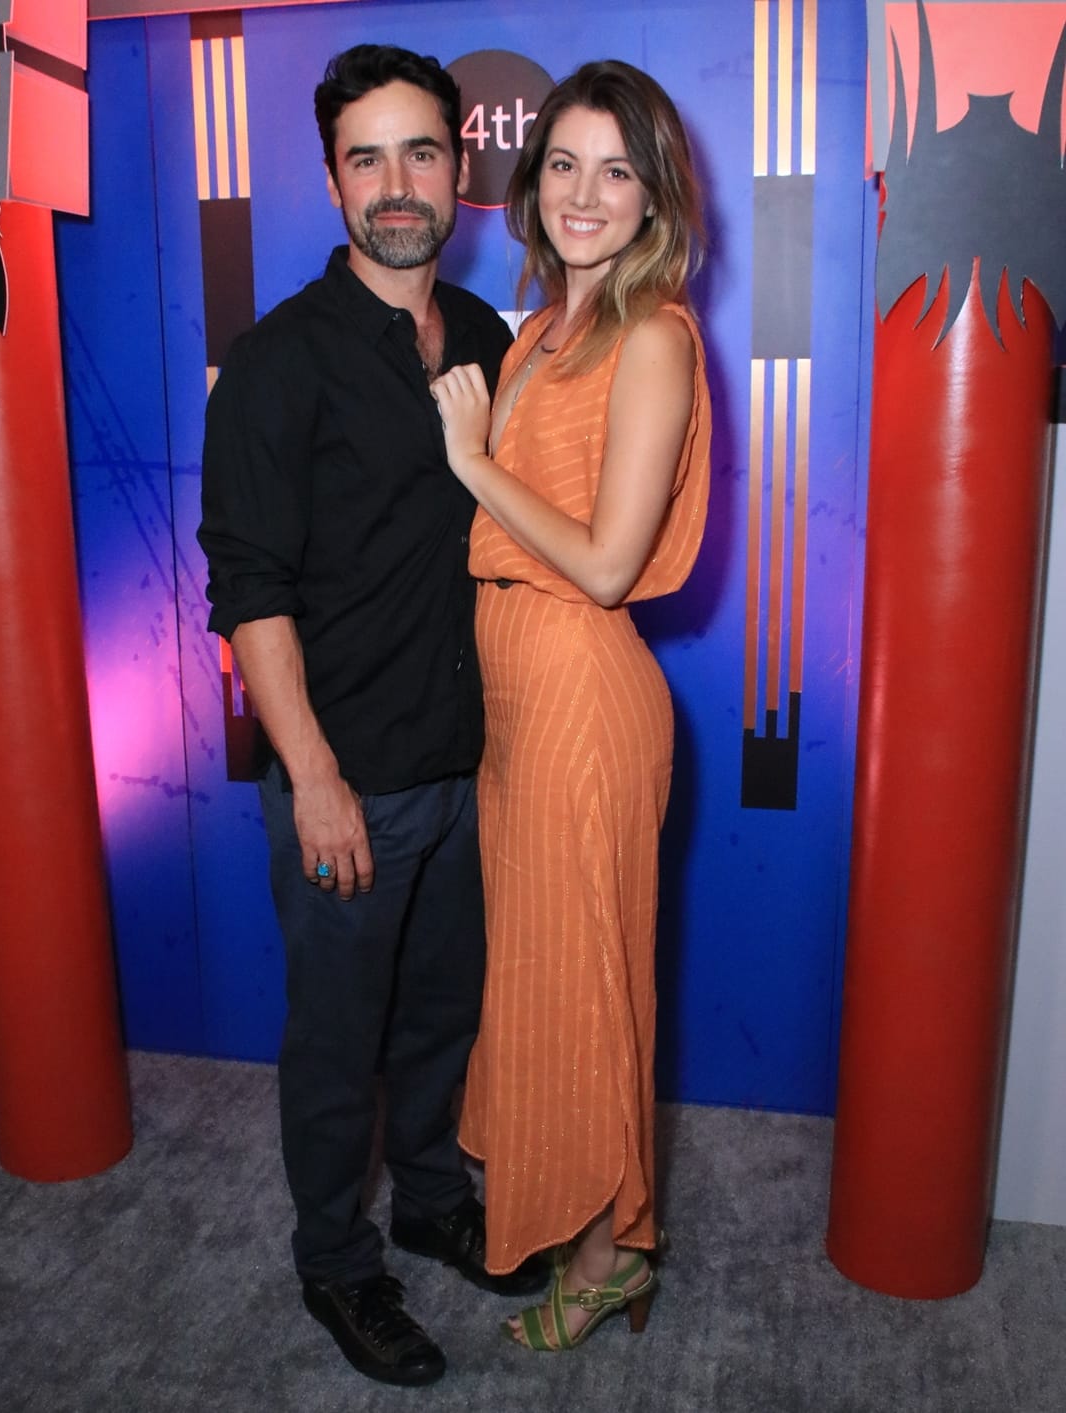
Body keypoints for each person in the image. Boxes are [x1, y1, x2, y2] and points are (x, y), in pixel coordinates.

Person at [197, 44, 544, 1389]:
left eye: (420, 154)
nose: (396, 185)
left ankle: (431, 1198)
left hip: (468, 760)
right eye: (366, 156)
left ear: (462, 168)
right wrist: (316, 776)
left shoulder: (492, 338)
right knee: (339, 1044)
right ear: (331, 174)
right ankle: (338, 1266)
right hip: (350, 774)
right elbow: (251, 592)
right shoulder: (281, 361)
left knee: (440, 1018)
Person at [430, 59, 711, 1353]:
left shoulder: (654, 335)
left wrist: (476, 463)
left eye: (615, 169)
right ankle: (611, 1243)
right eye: (561, 164)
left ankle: (604, 1258)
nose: (584, 193)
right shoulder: (538, 330)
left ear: (655, 198)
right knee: (551, 981)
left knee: (589, 990)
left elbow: (606, 561)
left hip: (586, 695)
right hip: (516, 696)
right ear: (530, 186)